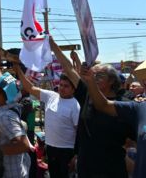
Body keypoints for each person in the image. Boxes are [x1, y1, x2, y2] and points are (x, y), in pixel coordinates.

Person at [49, 36, 135, 178]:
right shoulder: (86, 96)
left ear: (112, 80)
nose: (93, 78)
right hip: (86, 169)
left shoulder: (124, 105)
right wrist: (53, 45)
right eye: (91, 75)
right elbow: (69, 69)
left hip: (112, 170)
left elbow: (133, 139)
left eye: (98, 75)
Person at [80, 65, 146, 178]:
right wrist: (90, 80)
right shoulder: (139, 108)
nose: (96, 78)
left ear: (111, 81)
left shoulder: (127, 102)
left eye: (99, 76)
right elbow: (103, 105)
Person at [15, 63, 80, 178]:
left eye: (66, 86)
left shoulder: (75, 106)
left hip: (67, 151)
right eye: (61, 85)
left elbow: (80, 132)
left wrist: (76, 155)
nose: (62, 88)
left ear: (73, 89)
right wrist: (19, 71)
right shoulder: (51, 96)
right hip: (50, 148)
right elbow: (30, 88)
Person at [0, 58, 31, 178]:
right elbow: (1, 81)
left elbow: (24, 145)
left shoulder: (6, 116)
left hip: (11, 173)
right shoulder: (6, 104)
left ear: (0, 93)